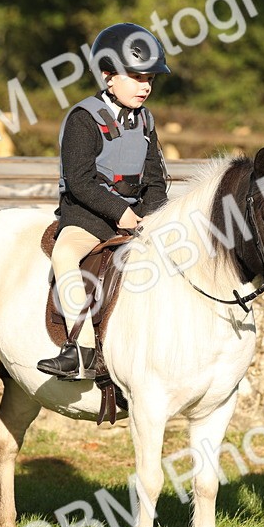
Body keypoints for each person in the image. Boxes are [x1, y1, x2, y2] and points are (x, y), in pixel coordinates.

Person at [36, 23, 171, 380]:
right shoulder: (83, 119)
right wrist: (119, 212)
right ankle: (78, 350)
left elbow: (155, 180)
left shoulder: (146, 120)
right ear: (109, 77)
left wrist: (152, 216)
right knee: (64, 255)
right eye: (137, 77)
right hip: (88, 218)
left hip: (137, 220)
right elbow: (79, 182)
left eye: (150, 79)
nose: (146, 86)